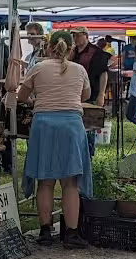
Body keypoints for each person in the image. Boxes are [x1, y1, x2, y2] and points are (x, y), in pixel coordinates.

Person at [18, 30, 92, 248]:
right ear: (71, 49)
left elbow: (22, 96)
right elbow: (85, 96)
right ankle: (71, 233)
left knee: (45, 180)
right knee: (70, 182)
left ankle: (45, 232)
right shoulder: (79, 70)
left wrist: (37, 100)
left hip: (44, 125)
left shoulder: (38, 68)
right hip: (71, 125)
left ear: (48, 47)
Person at [69, 26, 110, 157]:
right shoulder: (72, 52)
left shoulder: (95, 52)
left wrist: (101, 94)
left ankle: (89, 155)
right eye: (74, 35)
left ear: (85, 36)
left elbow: (103, 73)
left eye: (78, 35)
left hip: (91, 93)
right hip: (73, 95)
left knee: (89, 127)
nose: (75, 38)